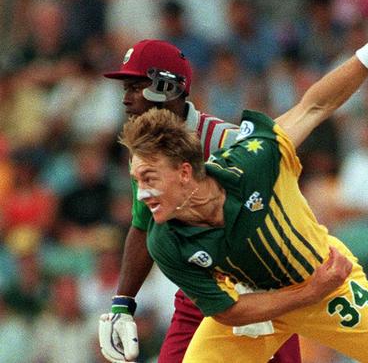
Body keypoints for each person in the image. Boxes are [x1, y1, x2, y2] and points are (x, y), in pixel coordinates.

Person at [116, 0, 368, 361]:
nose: (142, 191)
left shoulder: (251, 157)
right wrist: (121, 304)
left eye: (149, 178)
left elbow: (315, 104)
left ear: (186, 171)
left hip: (324, 279)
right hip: (258, 302)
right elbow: (232, 311)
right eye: (138, 178)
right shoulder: (163, 240)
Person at [98, 39, 300, 362]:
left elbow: (279, 214)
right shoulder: (144, 152)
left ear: (167, 87)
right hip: (200, 291)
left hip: (263, 289)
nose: (126, 100)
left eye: (135, 87)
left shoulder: (228, 143)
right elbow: (141, 225)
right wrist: (122, 303)